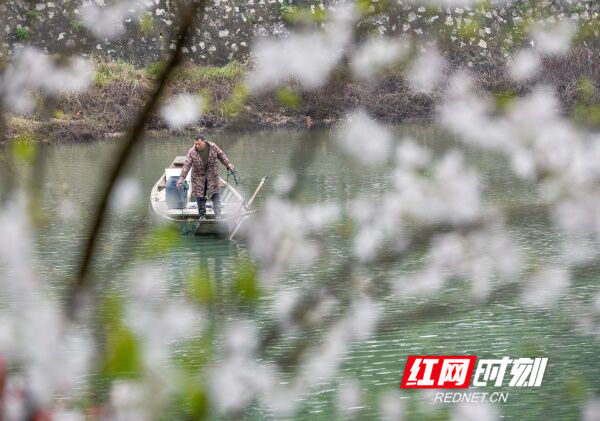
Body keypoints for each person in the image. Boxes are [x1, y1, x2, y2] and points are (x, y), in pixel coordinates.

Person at [176, 134, 236, 219]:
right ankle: (202, 216)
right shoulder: (192, 152)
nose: (197, 146)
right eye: (195, 144)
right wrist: (181, 178)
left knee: (215, 195)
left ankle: (218, 215)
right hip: (198, 178)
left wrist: (228, 165)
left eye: (199, 144)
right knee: (200, 197)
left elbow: (221, 156)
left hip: (213, 176)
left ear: (204, 141)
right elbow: (187, 165)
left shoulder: (213, 147)